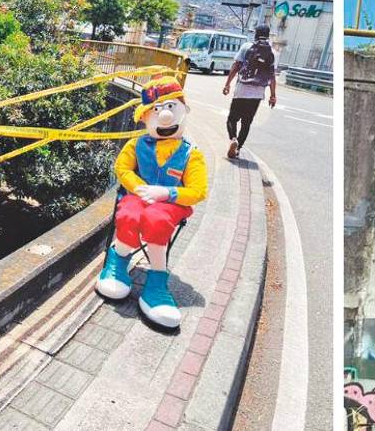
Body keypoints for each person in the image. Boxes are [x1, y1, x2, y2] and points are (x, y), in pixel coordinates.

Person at [96, 76, 208, 329]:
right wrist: (140, 188)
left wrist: (166, 193)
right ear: (146, 117)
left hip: (170, 204)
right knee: (129, 215)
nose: (165, 117)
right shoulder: (136, 145)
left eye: (171, 108)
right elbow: (122, 168)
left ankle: (156, 282)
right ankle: (118, 261)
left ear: (183, 111)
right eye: (157, 111)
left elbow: (198, 190)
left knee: (156, 219)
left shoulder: (192, 154)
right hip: (138, 196)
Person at [222, 25, 278, 159]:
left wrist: (227, 84)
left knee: (232, 119)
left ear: (256, 34)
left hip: (242, 90)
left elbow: (236, 66)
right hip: (257, 94)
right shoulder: (273, 53)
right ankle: (238, 148)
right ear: (268, 35)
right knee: (246, 123)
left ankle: (233, 139)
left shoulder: (246, 47)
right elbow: (272, 76)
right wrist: (273, 96)